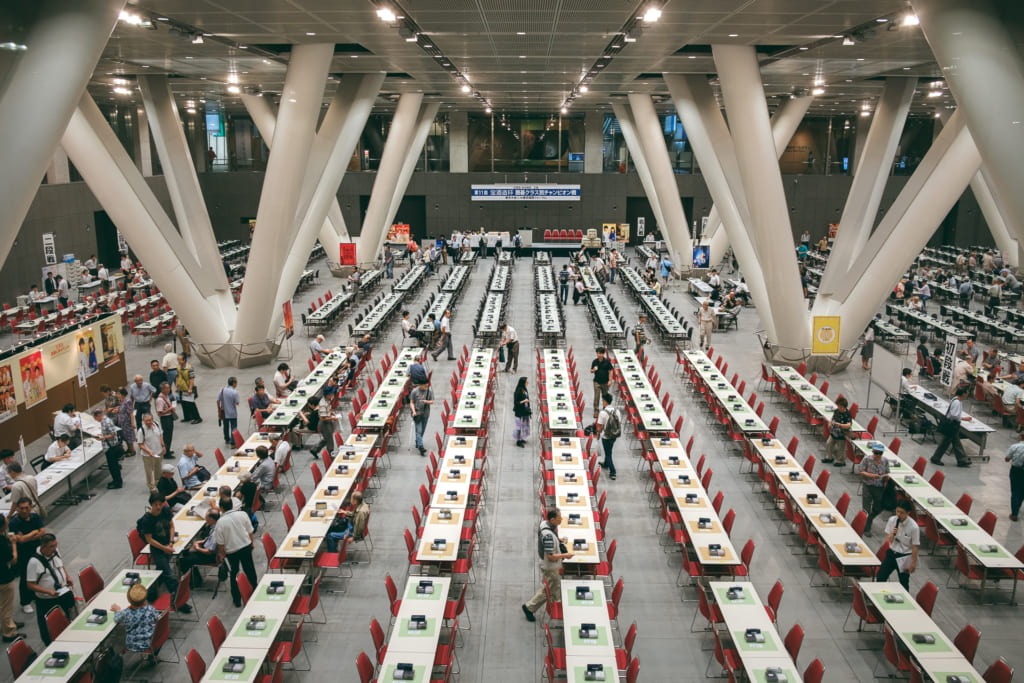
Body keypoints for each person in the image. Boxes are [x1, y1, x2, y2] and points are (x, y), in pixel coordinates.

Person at [521, 508, 574, 622]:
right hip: (550, 567)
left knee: (553, 587)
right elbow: (550, 556)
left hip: (547, 564)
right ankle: (529, 607)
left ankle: (558, 604)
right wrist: (565, 555)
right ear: (552, 519)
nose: (561, 520)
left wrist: (558, 539)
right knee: (549, 589)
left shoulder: (545, 524)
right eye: (559, 518)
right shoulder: (548, 536)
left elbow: (548, 541)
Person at [25, 533, 76, 645]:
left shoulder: (55, 552)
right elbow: (30, 584)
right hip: (46, 600)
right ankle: (51, 644)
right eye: (51, 546)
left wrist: (67, 577)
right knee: (48, 626)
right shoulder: (33, 562)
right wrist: (48, 591)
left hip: (62, 592)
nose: (54, 549)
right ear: (43, 546)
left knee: (66, 618)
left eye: (55, 545)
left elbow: (61, 566)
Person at [215, 502, 257, 608]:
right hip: (245, 546)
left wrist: (221, 554)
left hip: (231, 551)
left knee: (234, 573)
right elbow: (250, 531)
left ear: (221, 508)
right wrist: (251, 542)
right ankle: (255, 591)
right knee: (250, 569)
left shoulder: (220, 522)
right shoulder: (243, 514)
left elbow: (220, 543)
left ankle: (237, 599)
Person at [9, 498, 45, 616]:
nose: (24, 511)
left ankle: (35, 594)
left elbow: (42, 532)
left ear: (30, 507)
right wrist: (34, 532)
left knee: (38, 574)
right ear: (17, 509)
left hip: (37, 551)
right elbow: (21, 540)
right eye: (21, 508)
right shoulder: (14, 522)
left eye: (26, 508)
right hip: (23, 554)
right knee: (25, 577)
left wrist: (26, 536)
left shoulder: (35, 517)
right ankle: (25, 602)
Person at [876, 501, 920, 590]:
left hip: (904, 557)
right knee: (880, 576)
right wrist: (892, 534)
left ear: (908, 513)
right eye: (897, 511)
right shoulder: (892, 520)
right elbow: (889, 539)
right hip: (892, 553)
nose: (898, 514)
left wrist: (913, 563)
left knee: (903, 583)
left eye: (902, 513)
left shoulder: (914, 527)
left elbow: (915, 546)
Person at [111, 582, 159, 656]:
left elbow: (116, 619)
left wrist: (117, 610)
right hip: (152, 641)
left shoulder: (126, 613)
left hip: (133, 645)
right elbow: (157, 619)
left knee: (117, 638)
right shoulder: (151, 609)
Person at [931, 384, 973, 467]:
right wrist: (964, 418)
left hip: (952, 425)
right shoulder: (957, 402)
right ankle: (936, 458)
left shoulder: (956, 400)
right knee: (947, 442)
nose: (968, 394)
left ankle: (962, 459)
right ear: (963, 393)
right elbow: (954, 415)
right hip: (952, 425)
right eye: (967, 392)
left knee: (954, 442)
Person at [0, 514, 24, 643]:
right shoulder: (2, 543)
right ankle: (8, 632)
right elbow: (13, 559)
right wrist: (14, 544)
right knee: (6, 606)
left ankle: (8, 623)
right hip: (4, 578)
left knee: (2, 605)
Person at [859, 442, 890, 536]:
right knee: (866, 508)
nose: (878, 455)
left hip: (879, 487)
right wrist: (872, 476)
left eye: (880, 453)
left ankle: (869, 519)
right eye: (876, 453)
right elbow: (861, 471)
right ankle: (866, 528)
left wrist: (886, 477)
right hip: (868, 485)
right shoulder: (867, 459)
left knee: (878, 507)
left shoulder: (885, 461)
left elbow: (888, 472)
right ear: (872, 451)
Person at [93, 407, 123, 489]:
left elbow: (114, 433)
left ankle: (118, 483)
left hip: (111, 447)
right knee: (112, 466)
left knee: (113, 466)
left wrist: (103, 438)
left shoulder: (106, 422)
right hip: (109, 446)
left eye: (95, 418)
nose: (96, 420)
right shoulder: (104, 422)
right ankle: (115, 480)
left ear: (98, 416)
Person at [136, 413, 166, 492]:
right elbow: (140, 444)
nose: (148, 422)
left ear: (152, 419)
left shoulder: (157, 424)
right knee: (149, 472)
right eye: (146, 421)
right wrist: (149, 451)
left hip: (158, 451)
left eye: (150, 420)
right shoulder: (141, 431)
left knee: (158, 469)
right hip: (148, 455)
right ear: (143, 421)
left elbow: (160, 436)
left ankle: (158, 483)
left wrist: (163, 446)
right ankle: (151, 487)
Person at [595, 393, 621, 480]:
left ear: (605, 401)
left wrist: (598, 434)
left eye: (602, 401)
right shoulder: (617, 411)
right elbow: (619, 424)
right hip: (614, 435)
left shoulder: (603, 413)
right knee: (609, 450)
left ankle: (613, 471)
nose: (602, 402)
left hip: (605, 437)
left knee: (608, 453)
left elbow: (600, 427)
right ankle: (606, 463)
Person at [822, 396, 853, 467]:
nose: (838, 407)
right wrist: (830, 422)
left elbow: (849, 425)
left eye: (839, 406)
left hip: (841, 434)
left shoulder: (847, 414)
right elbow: (833, 417)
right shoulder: (836, 411)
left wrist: (841, 425)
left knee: (840, 449)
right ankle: (829, 457)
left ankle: (841, 461)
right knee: (828, 444)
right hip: (833, 433)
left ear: (843, 407)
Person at [175, 354, 201, 424]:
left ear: (184, 360)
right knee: (184, 403)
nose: (179, 361)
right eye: (178, 359)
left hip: (187, 389)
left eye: (180, 360)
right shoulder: (179, 367)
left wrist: (190, 388)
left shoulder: (189, 368)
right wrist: (176, 386)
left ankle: (197, 418)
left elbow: (192, 379)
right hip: (181, 388)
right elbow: (177, 377)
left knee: (191, 404)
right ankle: (187, 417)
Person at [410, 381, 433, 457]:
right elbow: (412, 402)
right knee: (419, 430)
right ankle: (421, 446)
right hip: (417, 413)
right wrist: (413, 411)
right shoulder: (414, 391)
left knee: (422, 430)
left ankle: (418, 440)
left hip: (426, 414)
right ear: (419, 385)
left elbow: (432, 401)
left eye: (426, 384)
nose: (426, 386)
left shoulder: (429, 391)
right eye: (424, 385)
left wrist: (427, 402)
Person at [154, 382, 176, 458]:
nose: (168, 389)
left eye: (169, 388)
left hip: (169, 417)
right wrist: (170, 409)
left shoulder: (166, 396)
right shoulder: (160, 399)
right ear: (162, 389)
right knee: (167, 435)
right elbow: (159, 412)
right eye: (167, 388)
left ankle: (167, 449)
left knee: (169, 435)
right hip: (165, 418)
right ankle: (166, 453)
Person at [590, 347, 613, 420]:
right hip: (596, 381)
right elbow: (591, 370)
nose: (598, 355)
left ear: (603, 354)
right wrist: (593, 370)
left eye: (600, 353)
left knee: (605, 396)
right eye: (597, 353)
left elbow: (611, 370)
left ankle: (605, 410)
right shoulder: (595, 361)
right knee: (596, 397)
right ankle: (596, 411)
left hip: (605, 382)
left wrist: (610, 380)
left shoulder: (607, 362)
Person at [1006, 433, 1024, 521]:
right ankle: (1018, 506)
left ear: (1020, 437)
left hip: (1017, 471)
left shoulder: (1015, 447)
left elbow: (1007, 459)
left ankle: (1014, 514)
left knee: (1015, 491)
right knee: (1022, 491)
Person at [218, 377, 240, 446]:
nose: (237, 384)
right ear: (233, 383)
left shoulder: (222, 390)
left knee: (225, 426)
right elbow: (237, 403)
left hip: (224, 412)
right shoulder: (234, 392)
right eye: (236, 382)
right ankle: (233, 443)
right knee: (233, 427)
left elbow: (218, 400)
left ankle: (227, 439)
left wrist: (219, 409)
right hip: (232, 413)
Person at [512, 377, 531, 448]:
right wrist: (524, 401)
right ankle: (518, 441)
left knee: (524, 425)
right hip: (519, 411)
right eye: (526, 382)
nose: (527, 383)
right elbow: (516, 403)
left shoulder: (524, 389)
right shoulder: (518, 391)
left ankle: (522, 438)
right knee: (519, 426)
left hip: (524, 410)